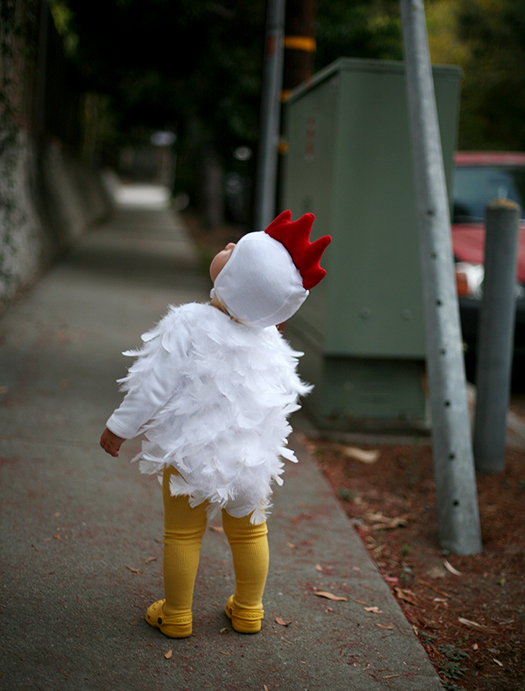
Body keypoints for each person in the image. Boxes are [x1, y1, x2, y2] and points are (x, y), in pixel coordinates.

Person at [100, 210, 331, 638]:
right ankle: (247, 610)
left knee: (182, 536)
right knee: (249, 535)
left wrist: (119, 426)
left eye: (235, 251)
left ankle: (177, 615)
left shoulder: (189, 323)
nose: (226, 247)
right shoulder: (271, 340)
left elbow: (153, 385)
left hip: (190, 455)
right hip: (250, 461)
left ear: (239, 281)